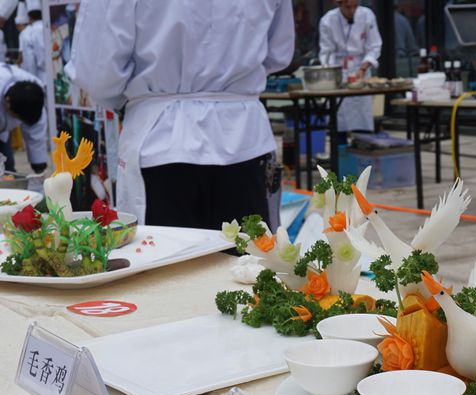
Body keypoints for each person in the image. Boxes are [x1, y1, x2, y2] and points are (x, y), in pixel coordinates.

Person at [65, 0, 294, 229]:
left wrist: (133, 101)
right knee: (245, 258)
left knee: (169, 260)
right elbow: (278, 53)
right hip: (243, 136)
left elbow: (97, 72)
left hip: (160, 139)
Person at [319, 0, 382, 142]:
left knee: (362, 118)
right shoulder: (327, 20)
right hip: (338, 69)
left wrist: (363, 68)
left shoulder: (367, 15)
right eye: (348, 7)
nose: (352, 10)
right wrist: (332, 72)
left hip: (361, 68)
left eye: (355, 6)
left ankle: (363, 154)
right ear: (339, 4)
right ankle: (340, 155)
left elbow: (374, 46)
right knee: (339, 118)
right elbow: (326, 51)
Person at [0, 63, 47, 173]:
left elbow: (35, 133)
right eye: (16, 116)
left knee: (7, 166)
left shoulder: (33, 97)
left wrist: (38, 167)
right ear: (7, 101)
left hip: (3, 132)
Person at [18, 0, 44, 86]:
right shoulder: (50, 27)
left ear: (29, 17)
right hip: (57, 72)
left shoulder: (27, 33)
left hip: (40, 77)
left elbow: (30, 61)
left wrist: (32, 81)